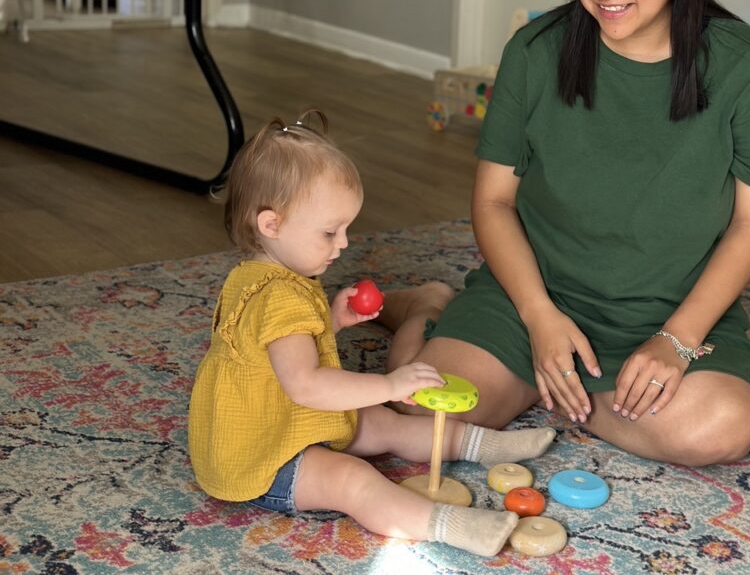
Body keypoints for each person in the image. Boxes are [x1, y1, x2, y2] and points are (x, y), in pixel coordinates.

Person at [381, 0, 750, 467]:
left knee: (718, 429)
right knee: (418, 412)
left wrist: (676, 343)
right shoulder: (535, 50)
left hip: (667, 313)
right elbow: (493, 201)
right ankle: (430, 305)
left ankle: (558, 392)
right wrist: (539, 318)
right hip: (531, 300)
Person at [187, 110, 556, 558]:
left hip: (270, 416)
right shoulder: (280, 298)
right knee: (353, 480)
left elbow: (274, 349)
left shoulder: (256, 276)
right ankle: (452, 525)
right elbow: (306, 385)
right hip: (259, 455)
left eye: (345, 229)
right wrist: (389, 384)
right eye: (329, 232)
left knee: (380, 424)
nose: (343, 244)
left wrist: (330, 321)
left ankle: (484, 444)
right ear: (271, 225)